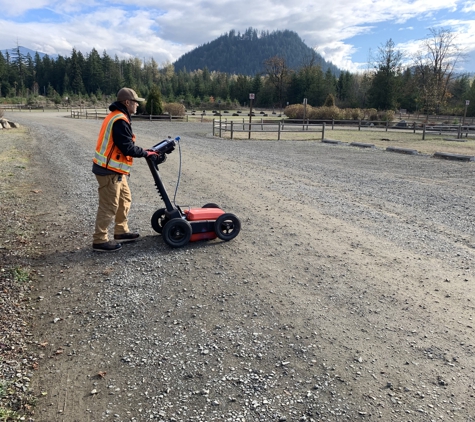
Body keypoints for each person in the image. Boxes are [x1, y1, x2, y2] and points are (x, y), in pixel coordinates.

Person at [92, 87, 159, 252]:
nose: (137, 105)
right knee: (109, 205)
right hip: (108, 171)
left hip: (115, 170)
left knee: (125, 199)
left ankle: (121, 231)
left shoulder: (118, 116)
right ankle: (100, 240)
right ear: (127, 102)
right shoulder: (120, 120)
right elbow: (127, 148)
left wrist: (146, 152)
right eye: (136, 102)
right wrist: (145, 153)